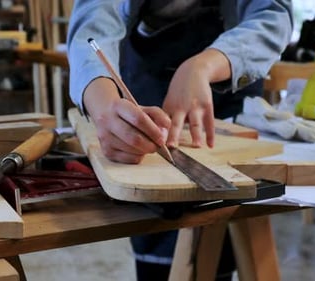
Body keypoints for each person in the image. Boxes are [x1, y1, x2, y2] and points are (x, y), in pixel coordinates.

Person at [67, 0, 293, 280]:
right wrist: (105, 109)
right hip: (149, 82)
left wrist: (203, 66)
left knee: (226, 229)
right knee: (159, 234)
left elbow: (273, 15)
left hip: (229, 76)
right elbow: (93, 26)